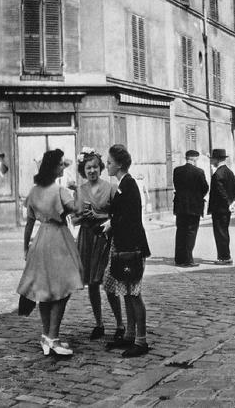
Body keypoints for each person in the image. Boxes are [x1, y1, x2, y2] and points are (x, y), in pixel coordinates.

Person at [17, 149, 83, 356]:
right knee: (63, 290)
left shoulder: (34, 191)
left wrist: (26, 248)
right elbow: (78, 210)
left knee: (44, 291)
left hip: (40, 241)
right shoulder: (60, 190)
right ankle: (53, 338)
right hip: (59, 240)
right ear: (53, 167)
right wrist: (77, 189)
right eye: (61, 164)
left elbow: (29, 224)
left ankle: (46, 335)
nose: (64, 167)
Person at [102, 144, 151, 357]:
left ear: (119, 164)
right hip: (125, 246)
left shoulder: (128, 185)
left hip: (131, 248)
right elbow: (122, 216)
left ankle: (141, 341)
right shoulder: (124, 184)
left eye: (109, 162)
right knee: (126, 292)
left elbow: (129, 219)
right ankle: (130, 335)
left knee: (134, 294)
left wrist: (113, 224)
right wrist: (110, 224)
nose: (107, 166)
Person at [71, 148, 117, 340]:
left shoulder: (111, 188)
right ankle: (99, 324)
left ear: (101, 168)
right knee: (92, 284)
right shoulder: (79, 191)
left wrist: (99, 216)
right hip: (87, 239)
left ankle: (120, 324)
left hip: (105, 238)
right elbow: (73, 219)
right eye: (88, 168)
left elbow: (117, 216)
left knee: (109, 283)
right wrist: (82, 216)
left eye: (95, 167)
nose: (92, 171)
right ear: (84, 170)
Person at [173, 150, 209, 267]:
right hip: (194, 207)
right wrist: (197, 196)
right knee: (191, 232)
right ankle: (188, 260)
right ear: (194, 159)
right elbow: (205, 188)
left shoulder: (177, 171)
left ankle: (179, 259)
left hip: (180, 206)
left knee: (180, 231)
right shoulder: (199, 172)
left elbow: (176, 185)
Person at [208, 149, 235, 265]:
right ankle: (225, 256)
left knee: (220, 233)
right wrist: (234, 202)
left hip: (219, 208)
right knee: (224, 232)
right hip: (227, 208)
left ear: (217, 159)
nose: (212, 161)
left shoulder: (217, 174)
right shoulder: (229, 172)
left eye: (213, 159)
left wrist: (228, 203)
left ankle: (224, 257)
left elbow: (221, 192)